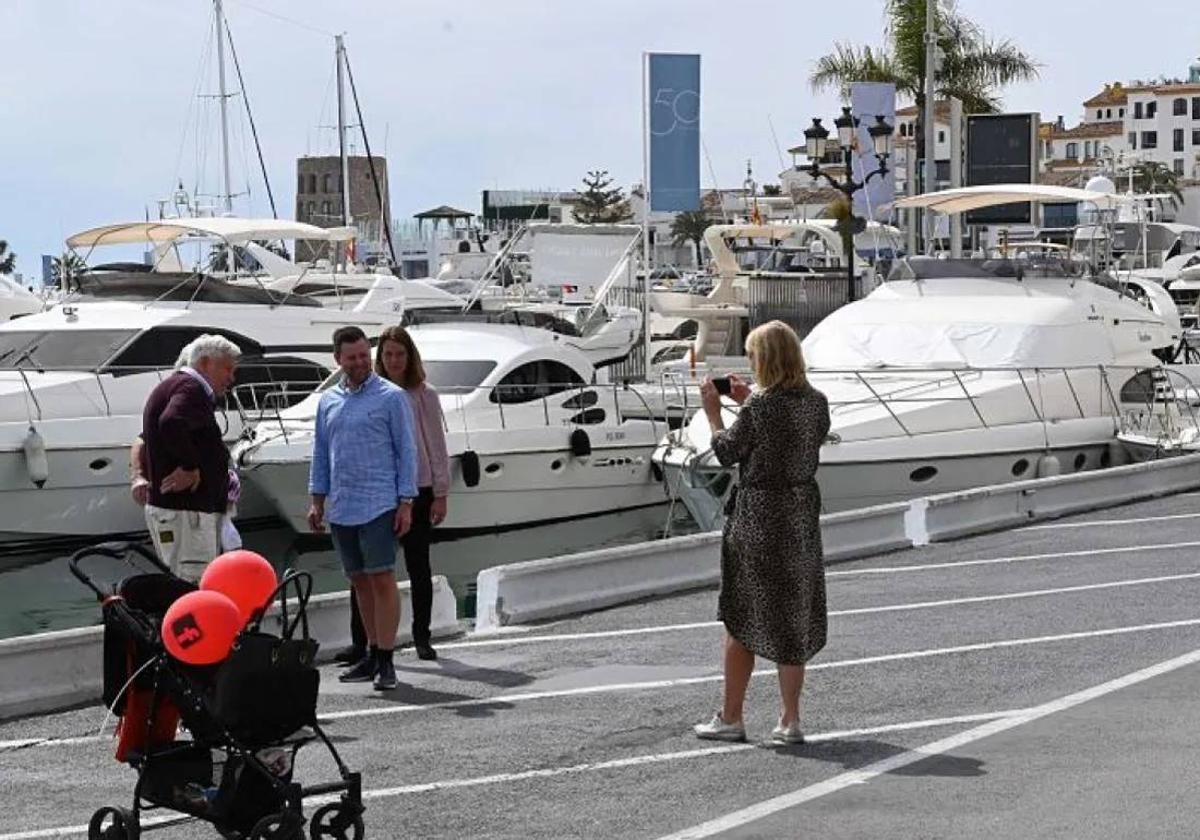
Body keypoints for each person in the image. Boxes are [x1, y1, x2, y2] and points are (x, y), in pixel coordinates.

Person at [692, 320, 830, 745]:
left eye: (752, 356)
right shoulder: (816, 403)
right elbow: (788, 431)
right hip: (800, 516)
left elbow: (727, 452)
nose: (749, 362)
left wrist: (715, 413)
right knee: (792, 616)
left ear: (765, 359)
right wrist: (747, 399)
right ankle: (790, 720)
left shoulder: (759, 408)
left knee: (741, 615)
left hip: (759, 517)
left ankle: (731, 717)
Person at [308, 326, 418, 691]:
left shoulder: (392, 397)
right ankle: (371, 651)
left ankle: (387, 658)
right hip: (342, 504)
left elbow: (407, 451)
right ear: (337, 359)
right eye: (351, 357)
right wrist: (316, 500)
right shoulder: (328, 401)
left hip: (379, 502)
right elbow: (322, 454)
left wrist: (406, 502)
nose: (359, 363)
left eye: (363, 356)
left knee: (382, 577)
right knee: (358, 580)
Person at [336, 326, 450, 665]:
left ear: (410, 356)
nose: (395, 360)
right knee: (366, 572)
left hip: (418, 490)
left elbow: (437, 446)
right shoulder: (374, 394)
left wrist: (440, 493)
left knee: (418, 565)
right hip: (381, 493)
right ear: (379, 358)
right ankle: (362, 643)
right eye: (388, 354)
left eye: (400, 354)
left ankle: (422, 637)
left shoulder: (423, 394)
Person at [139, 334, 241, 582]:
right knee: (192, 582)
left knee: (182, 579)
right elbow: (171, 422)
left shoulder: (176, 386)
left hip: (182, 511)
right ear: (206, 363)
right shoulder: (190, 389)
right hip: (187, 513)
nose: (231, 378)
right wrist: (190, 466)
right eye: (227, 369)